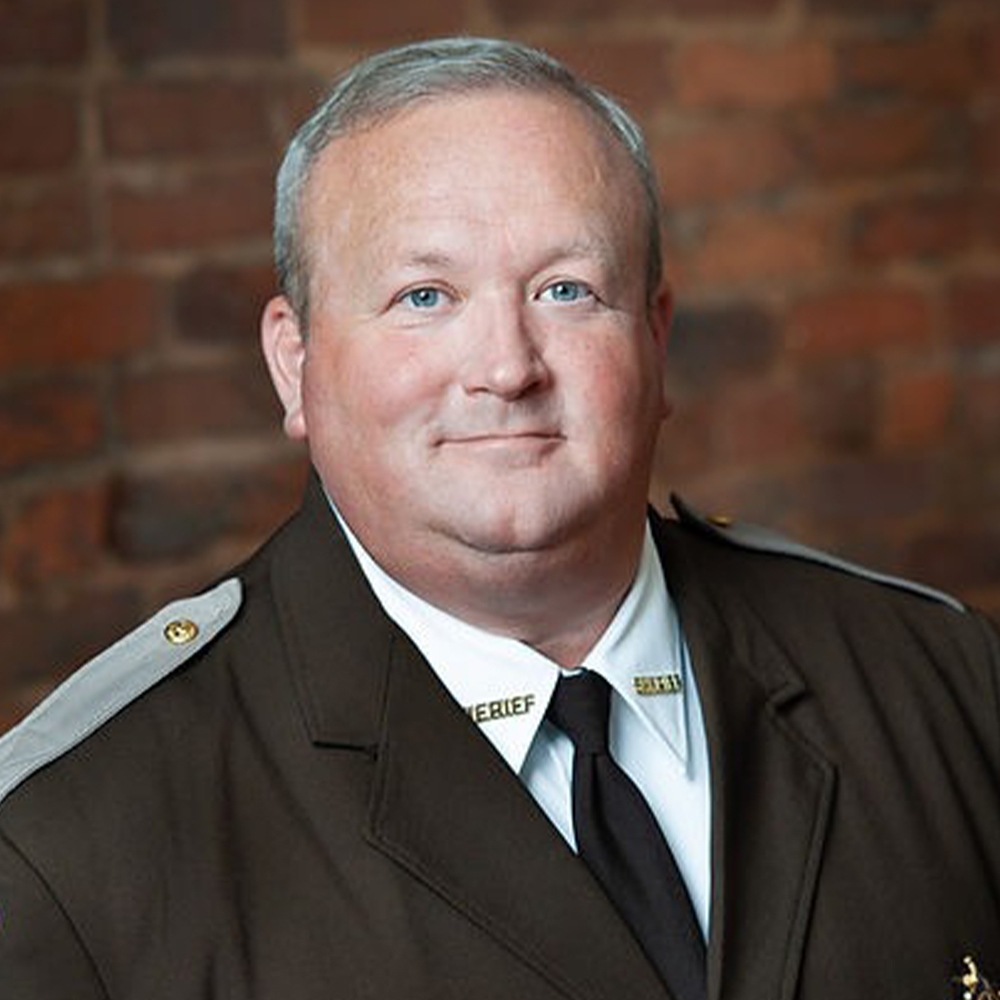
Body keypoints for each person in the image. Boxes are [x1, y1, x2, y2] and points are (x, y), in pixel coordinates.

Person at [0, 36, 998, 1000]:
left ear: (655, 337)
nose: (506, 368)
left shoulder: (942, 685)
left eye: (566, 289)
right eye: (423, 295)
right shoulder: (76, 846)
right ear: (294, 363)